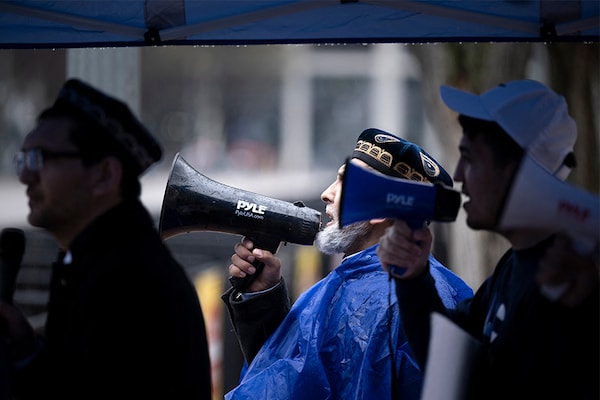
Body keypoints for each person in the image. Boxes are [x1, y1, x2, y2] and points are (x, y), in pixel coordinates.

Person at [376, 80, 599, 399]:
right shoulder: (516, 264)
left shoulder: (570, 284)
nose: (459, 174)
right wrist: (413, 276)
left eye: (469, 157)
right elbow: (450, 366)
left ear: (521, 172)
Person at [221, 128, 474, 399]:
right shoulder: (360, 280)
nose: (326, 194)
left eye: (345, 182)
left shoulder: (395, 299)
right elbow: (289, 372)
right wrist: (263, 298)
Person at [0, 79, 212, 399]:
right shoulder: (106, 263)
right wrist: (27, 351)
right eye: (23, 160)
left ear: (104, 175)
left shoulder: (128, 282)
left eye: (40, 159)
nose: (25, 176)